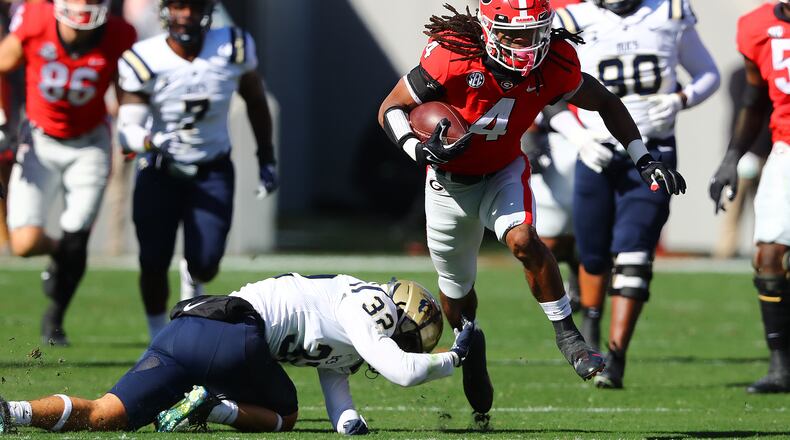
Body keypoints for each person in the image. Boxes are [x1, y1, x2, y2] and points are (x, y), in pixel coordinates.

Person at [378, 0, 685, 417]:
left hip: (503, 170)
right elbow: (391, 107)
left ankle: (568, 335)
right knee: (456, 292)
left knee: (524, 239)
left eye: (534, 33)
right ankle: (470, 339)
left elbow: (608, 102)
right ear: (490, 30)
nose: (526, 44)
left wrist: (645, 159)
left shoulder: (555, 62)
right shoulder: (452, 55)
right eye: (515, 35)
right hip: (447, 186)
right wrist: (417, 147)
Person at [0, 274, 475, 434]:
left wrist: (350, 424)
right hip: (237, 333)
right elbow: (402, 371)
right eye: (411, 340)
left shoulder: (351, 326)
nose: (402, 346)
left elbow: (336, 384)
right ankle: (215, 406)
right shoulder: (373, 308)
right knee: (286, 415)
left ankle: (14, 413)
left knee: (108, 414)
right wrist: (453, 357)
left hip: (189, 330)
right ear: (399, 315)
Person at [550, 0, 719, 389]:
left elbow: (707, 73)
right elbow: (545, 95)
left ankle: (616, 356)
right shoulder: (572, 20)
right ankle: (591, 334)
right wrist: (579, 137)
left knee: (635, 252)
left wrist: (680, 99)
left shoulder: (669, 11)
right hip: (596, 149)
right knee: (592, 254)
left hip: (653, 149)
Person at [116, 0, 279, 340]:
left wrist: (266, 155)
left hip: (212, 168)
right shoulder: (144, 56)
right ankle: (158, 335)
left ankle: (193, 275)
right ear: (164, 10)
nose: (186, 14)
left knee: (205, 261)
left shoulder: (233, 45)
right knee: (153, 260)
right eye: (177, 6)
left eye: (193, 6)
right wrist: (146, 141)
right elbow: (126, 127)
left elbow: (255, 98)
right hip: (161, 168)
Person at [0, 0, 136, 345]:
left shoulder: (121, 33)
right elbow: (3, 61)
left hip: (89, 142)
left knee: (78, 233)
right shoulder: (36, 17)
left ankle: (55, 317)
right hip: (39, 139)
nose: (84, 7)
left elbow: (128, 85)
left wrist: (131, 126)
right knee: (24, 243)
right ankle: (59, 251)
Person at [710, 0, 790, 394]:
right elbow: (754, 99)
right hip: (784, 148)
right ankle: (781, 366)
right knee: (768, 255)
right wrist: (731, 157)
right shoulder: (756, 26)